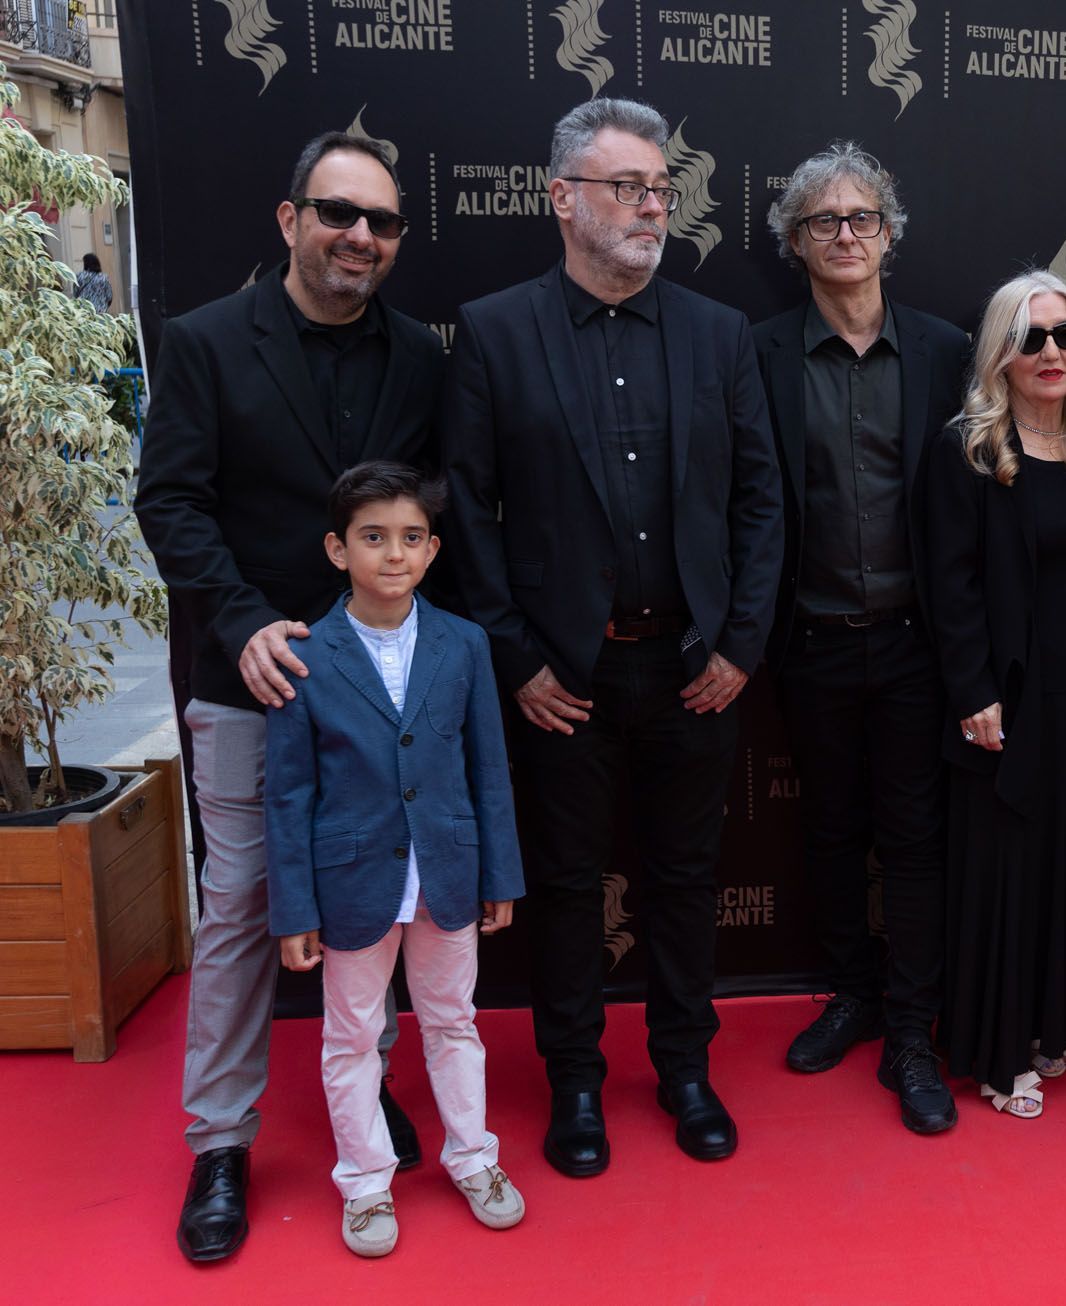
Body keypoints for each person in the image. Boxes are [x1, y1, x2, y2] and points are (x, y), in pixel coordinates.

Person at [441, 98, 783, 1173]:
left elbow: (761, 501)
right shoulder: (496, 331)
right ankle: (575, 1084)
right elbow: (467, 509)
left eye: (660, 190)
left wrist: (738, 644)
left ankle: (684, 1067)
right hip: (562, 681)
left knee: (686, 877)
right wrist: (520, 660)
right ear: (563, 199)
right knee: (570, 885)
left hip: (692, 670)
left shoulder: (719, 333)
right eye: (628, 187)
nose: (651, 207)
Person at [136, 130, 443, 1262]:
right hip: (244, 677)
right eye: (337, 212)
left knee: (378, 905)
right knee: (240, 914)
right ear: (288, 221)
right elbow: (170, 501)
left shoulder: (420, 356)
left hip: (381, 683)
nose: (358, 236)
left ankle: (366, 1097)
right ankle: (220, 1144)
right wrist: (241, 619)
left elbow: (431, 509)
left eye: (380, 222)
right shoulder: (205, 343)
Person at [752, 142, 970, 1133]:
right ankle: (854, 992)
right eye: (824, 222)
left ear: (889, 232)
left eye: (863, 218)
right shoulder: (755, 354)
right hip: (813, 640)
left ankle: (915, 1030)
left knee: (916, 838)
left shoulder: (945, 350)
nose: (846, 235)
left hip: (923, 642)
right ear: (795, 243)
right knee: (832, 827)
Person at [265, 462, 526, 1257]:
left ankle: (474, 1158)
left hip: (446, 873)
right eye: (373, 538)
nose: (394, 554)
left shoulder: (465, 644)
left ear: (434, 549)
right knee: (350, 1038)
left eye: (411, 538)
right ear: (338, 549)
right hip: (351, 885)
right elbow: (288, 795)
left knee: (454, 1023)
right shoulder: (305, 654)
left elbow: (489, 766)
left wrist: (500, 874)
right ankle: (365, 1181)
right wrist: (295, 911)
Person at [926, 271, 1066, 1119]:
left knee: (1063, 867)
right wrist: (972, 690)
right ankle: (997, 1054)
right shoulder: (969, 448)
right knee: (1000, 873)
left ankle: (1046, 1021)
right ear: (1002, 351)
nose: (1050, 353)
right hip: (1003, 694)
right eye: (1031, 337)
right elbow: (950, 584)